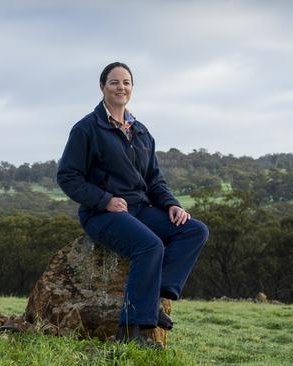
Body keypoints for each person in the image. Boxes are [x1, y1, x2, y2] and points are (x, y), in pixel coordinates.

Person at [56, 62, 209, 348]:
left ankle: (153, 298)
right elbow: (67, 176)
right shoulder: (87, 129)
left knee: (194, 230)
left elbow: (154, 180)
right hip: (101, 214)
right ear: (102, 87)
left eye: (126, 82)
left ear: (132, 88)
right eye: (114, 82)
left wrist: (171, 205)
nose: (121, 87)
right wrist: (105, 200)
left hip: (140, 209)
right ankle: (130, 333)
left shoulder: (141, 132)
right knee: (150, 246)